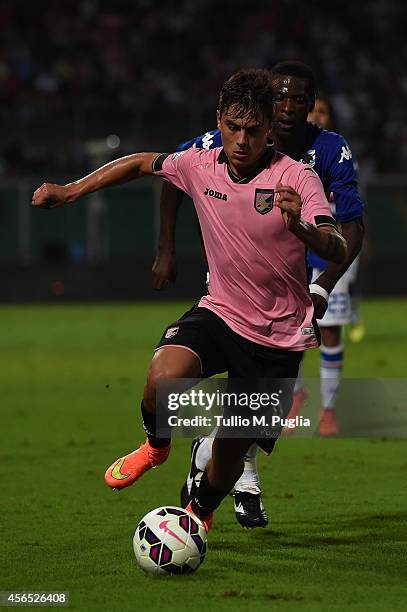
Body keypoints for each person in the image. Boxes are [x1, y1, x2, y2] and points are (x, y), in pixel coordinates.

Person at [32, 68, 346, 533]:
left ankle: (198, 509)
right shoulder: (199, 163)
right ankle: (157, 446)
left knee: (228, 460)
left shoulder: (297, 177)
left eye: (253, 130)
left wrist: (299, 226)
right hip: (220, 313)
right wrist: (70, 190)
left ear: (269, 128)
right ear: (219, 120)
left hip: (278, 340)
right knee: (163, 376)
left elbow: (336, 246)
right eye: (232, 127)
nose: (241, 140)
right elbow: (140, 162)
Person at [152, 62, 364, 529]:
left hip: (296, 291)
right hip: (236, 287)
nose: (288, 108)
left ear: (311, 107)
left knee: (258, 398)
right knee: (216, 386)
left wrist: (321, 286)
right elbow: (170, 175)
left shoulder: (326, 151)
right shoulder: (222, 140)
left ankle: (213, 453)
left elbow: (352, 225)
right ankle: (238, 477)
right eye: (281, 98)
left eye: (298, 100)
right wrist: (166, 251)